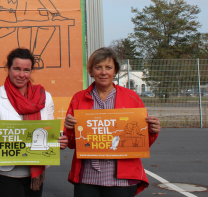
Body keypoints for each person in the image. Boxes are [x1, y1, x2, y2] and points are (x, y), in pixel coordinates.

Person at [63, 47, 161, 196]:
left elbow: (141, 143)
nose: (104, 72)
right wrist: (69, 129)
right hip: (87, 177)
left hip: (121, 178)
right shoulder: (78, 98)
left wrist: (152, 131)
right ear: (91, 71)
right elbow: (71, 144)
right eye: (98, 67)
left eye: (108, 67)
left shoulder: (131, 97)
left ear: (115, 71)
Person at [0, 48, 69, 197]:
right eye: (17, 69)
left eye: (26, 70)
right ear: (8, 69)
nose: (22, 75)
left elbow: (49, 130)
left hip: (34, 172)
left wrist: (58, 141)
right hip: (4, 173)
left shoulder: (45, 97)